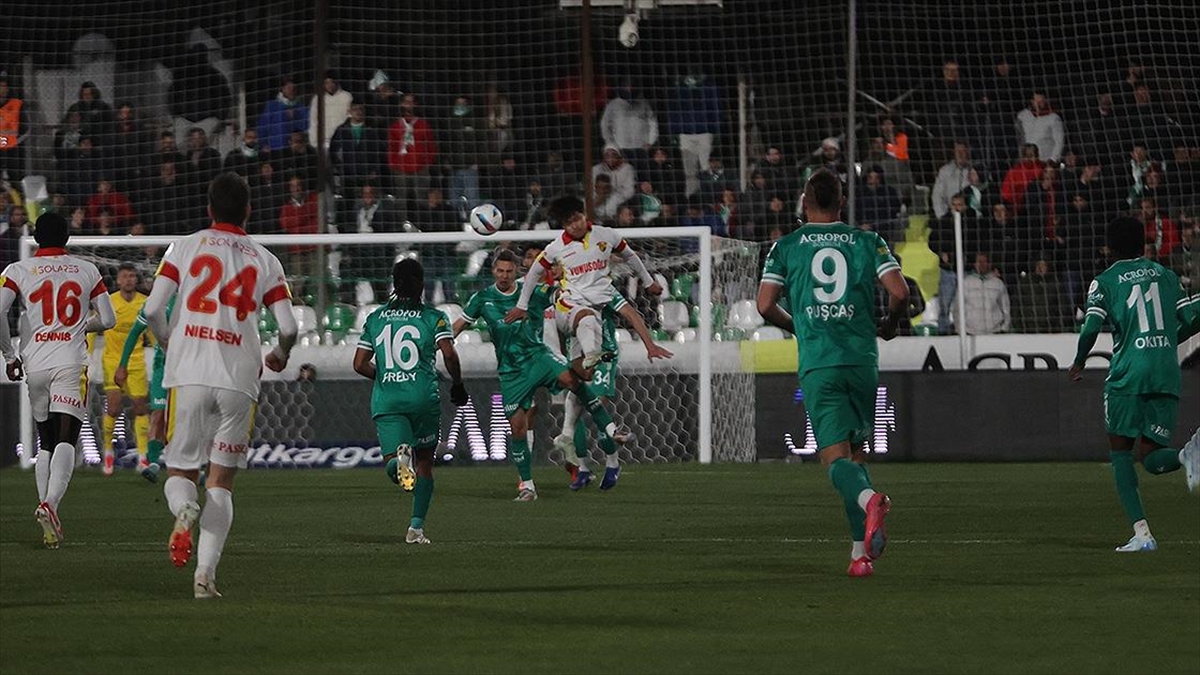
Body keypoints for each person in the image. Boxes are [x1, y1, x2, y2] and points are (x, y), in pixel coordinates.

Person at [142, 172, 299, 598]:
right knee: (221, 482)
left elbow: (153, 309)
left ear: (208, 208)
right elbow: (287, 326)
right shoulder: (266, 260)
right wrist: (280, 356)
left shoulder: (184, 246)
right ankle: (204, 577)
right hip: (238, 378)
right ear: (248, 210)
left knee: (180, 470)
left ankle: (184, 509)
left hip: (188, 373)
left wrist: (171, 342)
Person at [756, 168, 909, 578]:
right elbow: (900, 293)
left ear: (804, 204)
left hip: (820, 361)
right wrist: (891, 326)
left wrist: (801, 328)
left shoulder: (785, 246)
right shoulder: (867, 241)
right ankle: (860, 555)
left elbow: (764, 305)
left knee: (834, 460)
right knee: (856, 456)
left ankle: (870, 501)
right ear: (842, 203)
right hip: (861, 360)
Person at [456, 250, 635, 498]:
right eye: (500, 270)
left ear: (517, 272)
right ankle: (527, 486)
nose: (505, 275)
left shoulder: (533, 294)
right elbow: (459, 326)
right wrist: (436, 344)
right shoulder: (482, 299)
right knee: (518, 427)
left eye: (509, 271)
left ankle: (611, 429)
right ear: (493, 271)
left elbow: (560, 294)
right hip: (512, 370)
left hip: (539, 357)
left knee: (573, 381)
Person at [1069, 216, 1200, 552]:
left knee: (1121, 453)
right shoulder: (1166, 275)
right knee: (1152, 457)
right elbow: (1189, 320)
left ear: (1109, 247)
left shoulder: (1105, 281)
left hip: (1128, 373)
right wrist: (1166, 340)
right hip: (1165, 371)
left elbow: (1090, 328)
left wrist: (1080, 360)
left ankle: (1142, 535)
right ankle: (1188, 454)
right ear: (1145, 243)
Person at [0, 213, 117, 548]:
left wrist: (10, 356)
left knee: (45, 439)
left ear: (36, 238)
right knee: (68, 436)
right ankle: (50, 504)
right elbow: (107, 319)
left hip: (34, 362)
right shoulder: (87, 269)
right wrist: (78, 326)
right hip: (69, 361)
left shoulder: (17, 270)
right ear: (67, 238)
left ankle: (45, 511)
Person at [353, 258, 467, 542]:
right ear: (422, 285)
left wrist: (384, 376)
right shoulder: (434, 317)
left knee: (394, 461)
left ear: (394, 283)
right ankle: (416, 529)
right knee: (426, 463)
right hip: (422, 397)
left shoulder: (376, 318)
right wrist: (458, 384)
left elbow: (359, 364)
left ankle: (397, 464)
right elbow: (449, 355)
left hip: (388, 399)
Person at [506, 195, 662, 375]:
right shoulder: (555, 248)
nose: (576, 225)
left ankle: (584, 363)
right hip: (571, 301)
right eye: (569, 222)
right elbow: (534, 272)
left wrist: (648, 282)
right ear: (563, 226)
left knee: (584, 375)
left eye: (577, 218)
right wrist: (521, 305)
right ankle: (590, 354)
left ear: (584, 215)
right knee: (587, 317)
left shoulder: (606, 234)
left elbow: (630, 256)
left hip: (601, 294)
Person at [99, 263, 154, 479]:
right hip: (112, 360)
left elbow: (151, 331)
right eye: (125, 276)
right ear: (118, 280)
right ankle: (108, 453)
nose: (129, 280)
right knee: (113, 408)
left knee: (141, 407)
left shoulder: (145, 302)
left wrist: (160, 350)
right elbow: (95, 330)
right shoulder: (110, 302)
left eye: (132, 276)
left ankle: (142, 457)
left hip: (137, 360)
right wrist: (88, 353)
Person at [114, 295, 174, 484]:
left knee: (188, 416)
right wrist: (122, 365)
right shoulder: (156, 304)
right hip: (163, 367)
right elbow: (135, 332)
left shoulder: (192, 301)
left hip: (190, 367)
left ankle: (197, 468)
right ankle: (153, 463)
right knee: (158, 412)